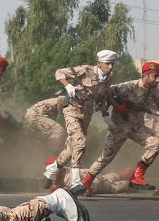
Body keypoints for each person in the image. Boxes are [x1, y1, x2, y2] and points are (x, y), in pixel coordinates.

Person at [43, 50, 117, 196]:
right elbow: (59, 73)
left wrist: (105, 115)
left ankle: (51, 170)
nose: (110, 67)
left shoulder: (108, 80)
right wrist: (68, 86)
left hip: (86, 114)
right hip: (72, 110)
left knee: (71, 149)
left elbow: (101, 99)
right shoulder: (86, 70)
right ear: (99, 63)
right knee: (81, 142)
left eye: (112, 64)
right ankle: (76, 182)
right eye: (107, 64)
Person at [80, 61, 159, 193]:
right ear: (145, 76)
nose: (157, 80)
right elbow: (106, 92)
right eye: (155, 76)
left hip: (137, 128)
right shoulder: (129, 86)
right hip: (119, 128)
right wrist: (115, 106)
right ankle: (87, 181)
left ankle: (137, 176)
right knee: (106, 157)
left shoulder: (155, 91)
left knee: (156, 144)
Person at [44, 156, 133, 195]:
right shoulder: (55, 175)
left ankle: (132, 185)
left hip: (94, 183)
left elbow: (76, 188)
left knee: (113, 187)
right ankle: (124, 175)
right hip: (91, 175)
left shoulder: (69, 176)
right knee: (107, 178)